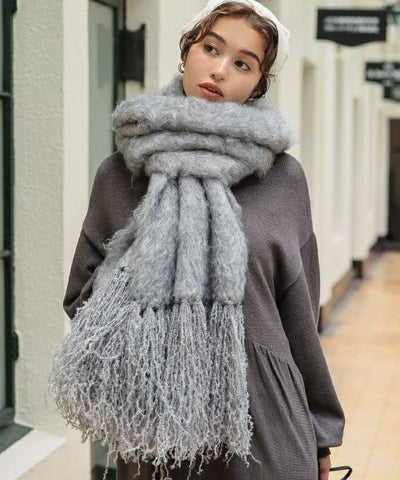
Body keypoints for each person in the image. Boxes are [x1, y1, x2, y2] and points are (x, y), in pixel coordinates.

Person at [50, 1, 345, 480]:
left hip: (265, 428)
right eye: (211, 48)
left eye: (243, 64)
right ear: (187, 51)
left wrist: (321, 431)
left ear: (258, 84)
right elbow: (80, 300)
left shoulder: (283, 178)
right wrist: (159, 332)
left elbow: (301, 317)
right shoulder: (119, 174)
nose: (220, 70)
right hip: (159, 429)